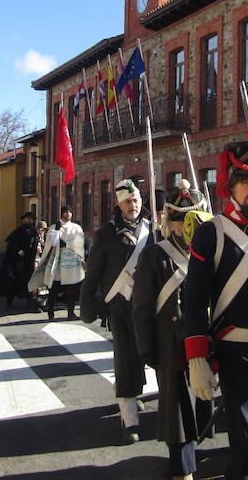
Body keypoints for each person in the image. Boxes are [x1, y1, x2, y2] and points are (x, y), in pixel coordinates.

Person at [183, 129, 248, 479]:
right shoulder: (211, 232)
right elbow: (194, 299)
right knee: (242, 424)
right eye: (246, 182)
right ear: (230, 184)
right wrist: (197, 355)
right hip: (233, 344)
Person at [133, 180, 213, 480]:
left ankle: (194, 457)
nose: (184, 226)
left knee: (202, 401)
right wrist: (148, 348)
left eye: (191, 218)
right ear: (170, 221)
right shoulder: (155, 255)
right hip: (170, 342)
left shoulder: (207, 252)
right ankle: (181, 468)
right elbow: (141, 308)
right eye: (179, 220)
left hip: (203, 339)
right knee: (177, 407)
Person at [80, 178, 150, 444]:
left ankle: (135, 394)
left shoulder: (152, 230)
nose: (132, 205)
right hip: (119, 305)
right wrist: (88, 306)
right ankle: (129, 415)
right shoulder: (106, 234)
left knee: (146, 354)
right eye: (127, 202)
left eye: (135, 200)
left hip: (147, 305)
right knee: (125, 358)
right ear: (119, 205)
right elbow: (93, 272)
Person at [38, 206, 85, 320]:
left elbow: (79, 242)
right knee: (54, 289)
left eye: (70, 211)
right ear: (62, 213)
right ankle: (50, 311)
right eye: (66, 212)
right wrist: (57, 232)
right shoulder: (54, 227)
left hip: (71, 263)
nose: (68, 213)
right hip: (58, 263)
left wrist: (68, 244)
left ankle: (71, 312)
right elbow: (51, 243)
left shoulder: (76, 227)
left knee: (72, 290)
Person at [0, 212, 38, 309]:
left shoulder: (34, 231)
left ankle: (29, 302)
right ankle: (10, 300)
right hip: (17, 262)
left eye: (32, 219)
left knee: (28, 282)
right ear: (24, 220)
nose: (30, 221)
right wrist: (19, 251)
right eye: (28, 219)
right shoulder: (18, 231)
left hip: (29, 262)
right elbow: (12, 245)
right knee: (13, 281)